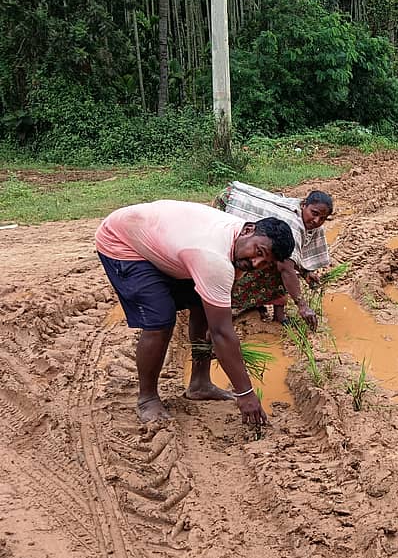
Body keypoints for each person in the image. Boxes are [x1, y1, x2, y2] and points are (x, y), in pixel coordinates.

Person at [95, 200, 295, 425]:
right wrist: (245, 394)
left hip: (162, 236)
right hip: (122, 241)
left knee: (201, 304)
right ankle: (147, 398)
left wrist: (214, 328)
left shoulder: (239, 240)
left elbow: (218, 305)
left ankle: (200, 384)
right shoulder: (212, 256)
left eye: (264, 263)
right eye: (258, 252)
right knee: (161, 319)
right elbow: (222, 333)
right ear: (248, 230)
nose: (255, 262)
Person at [215, 182, 333, 328]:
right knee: (273, 265)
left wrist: (306, 271)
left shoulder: (307, 221)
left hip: (234, 195)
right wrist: (302, 305)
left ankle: (277, 314)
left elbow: (293, 256)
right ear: (303, 205)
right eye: (314, 213)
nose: (316, 221)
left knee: (277, 260)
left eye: (322, 218)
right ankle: (223, 304)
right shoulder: (293, 224)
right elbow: (286, 268)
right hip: (228, 202)